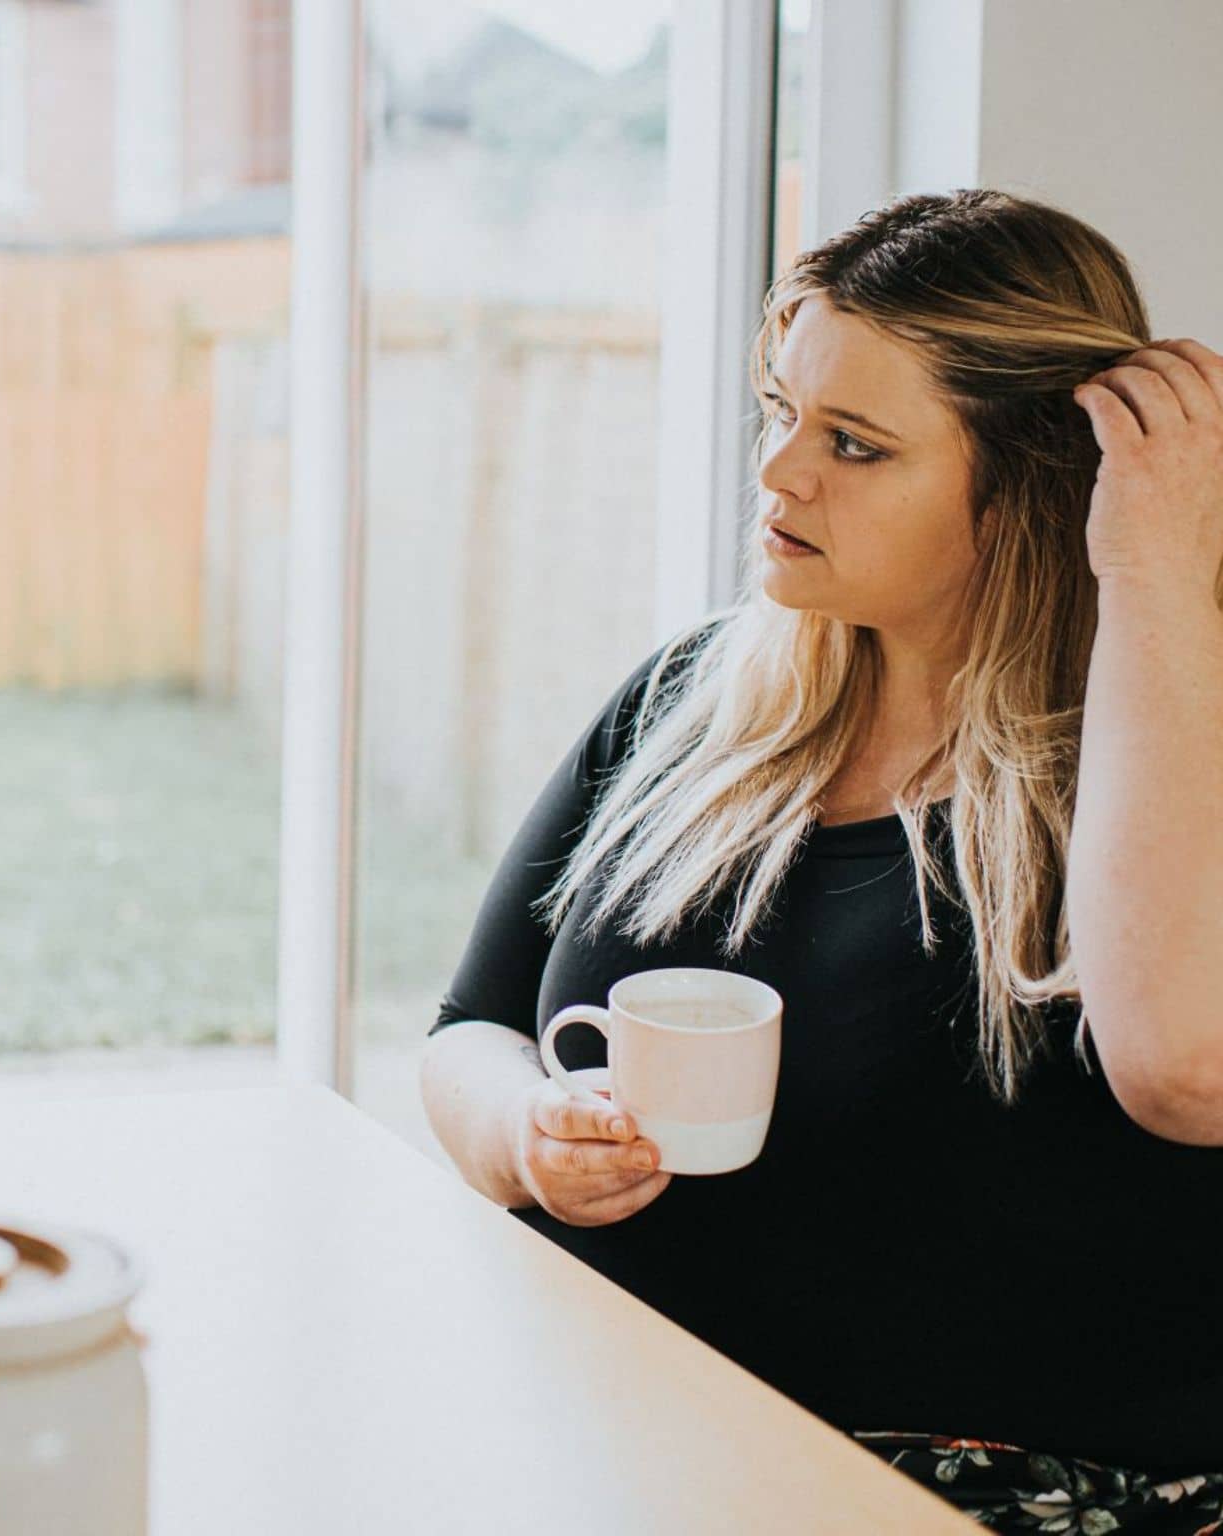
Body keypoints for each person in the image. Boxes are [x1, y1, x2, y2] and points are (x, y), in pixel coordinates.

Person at [420, 188, 1223, 1532]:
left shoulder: (1168, 762)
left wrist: (1149, 565)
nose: (782, 471)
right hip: (625, 1448)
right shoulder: (686, 699)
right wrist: (527, 1135)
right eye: (780, 413)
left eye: (854, 444)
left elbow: (1187, 1073)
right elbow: (469, 1030)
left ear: (1033, 485)